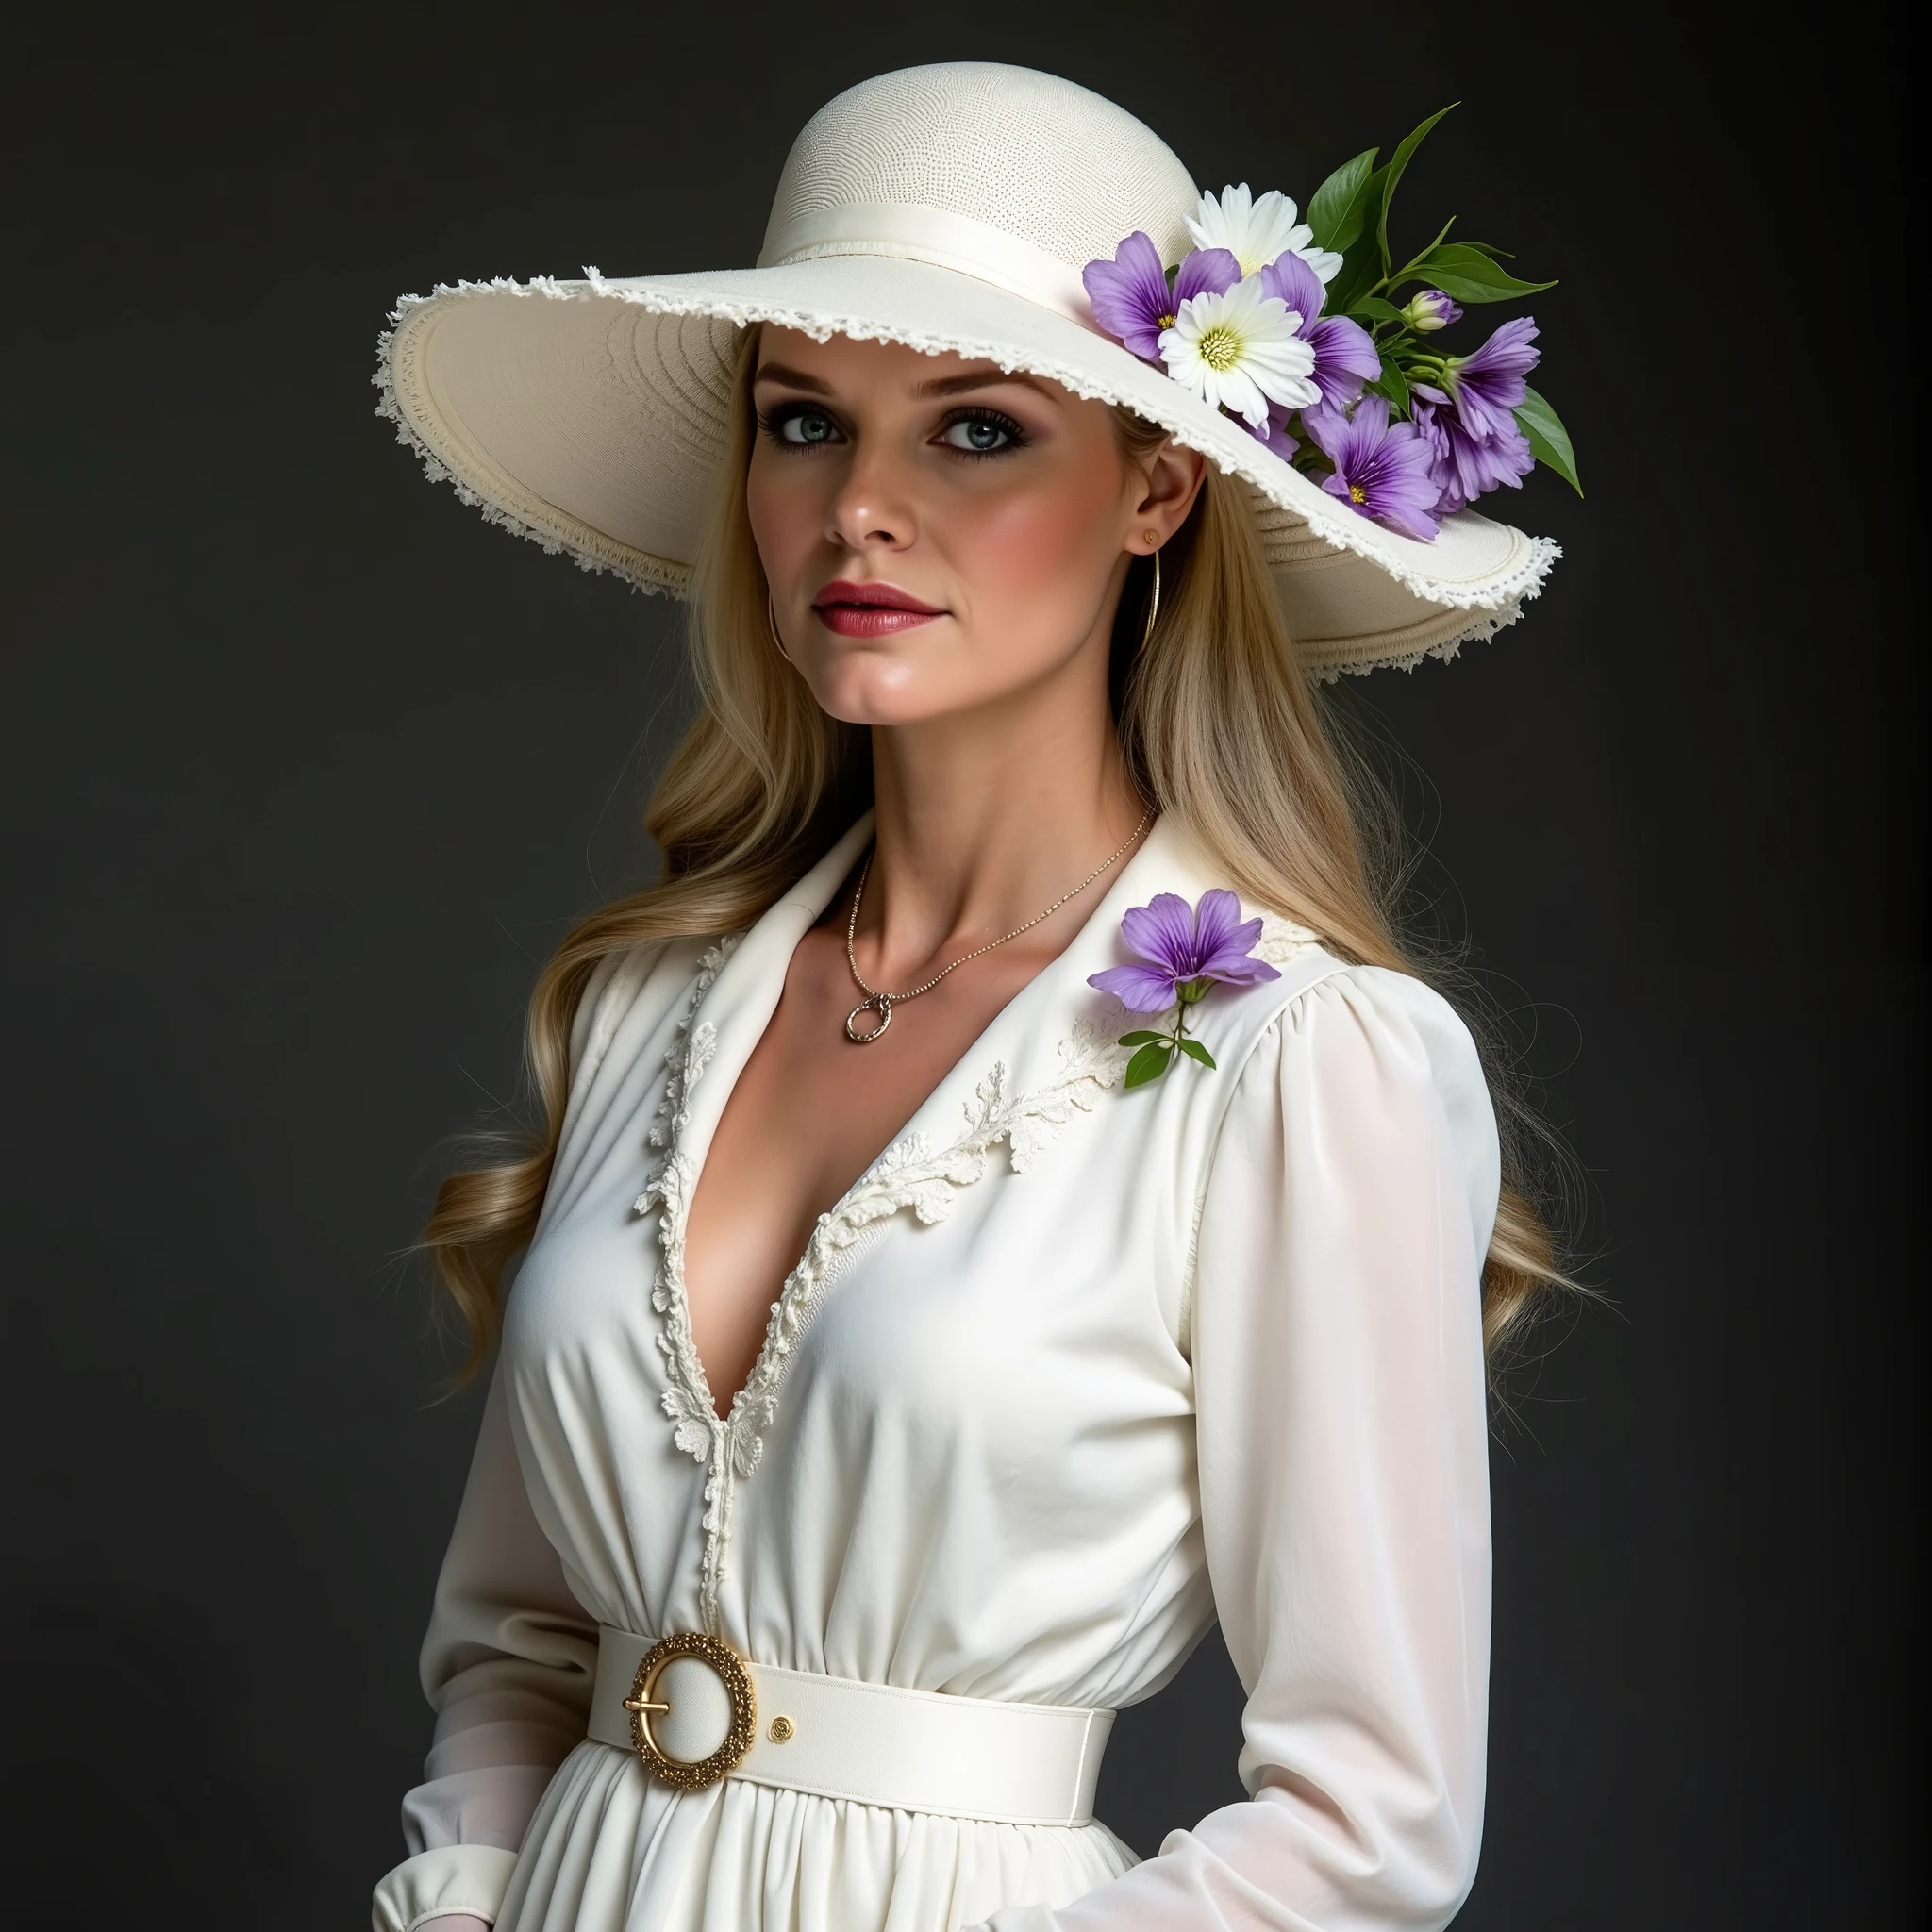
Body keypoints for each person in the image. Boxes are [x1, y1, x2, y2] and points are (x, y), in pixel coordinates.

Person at [370, 62, 1567, 1932]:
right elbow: (521, 1647)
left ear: (1157, 485)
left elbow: (1368, 1825)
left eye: (977, 431)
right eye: (799, 422)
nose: (859, 509)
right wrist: (463, 1901)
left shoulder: (1289, 1064)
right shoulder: (651, 1010)